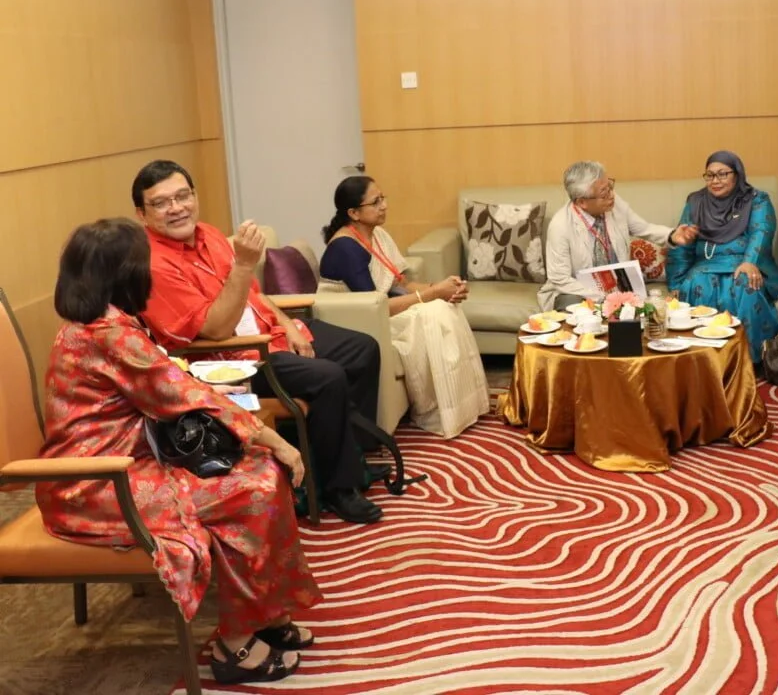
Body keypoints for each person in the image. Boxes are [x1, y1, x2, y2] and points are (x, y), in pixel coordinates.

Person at [38, 219, 320, 684]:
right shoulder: (108, 334)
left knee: (259, 473)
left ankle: (264, 615)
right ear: (127, 273)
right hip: (95, 482)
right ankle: (235, 645)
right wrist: (280, 441)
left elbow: (168, 387)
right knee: (253, 487)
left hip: (124, 460)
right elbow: (184, 395)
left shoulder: (102, 324)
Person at [132, 159, 382, 525]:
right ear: (142, 214)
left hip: (270, 333)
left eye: (183, 196)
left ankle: (349, 459)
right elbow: (216, 330)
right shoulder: (152, 265)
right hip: (233, 359)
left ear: (195, 196)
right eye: (161, 202)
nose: (176, 208)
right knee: (327, 377)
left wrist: (288, 325)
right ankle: (336, 487)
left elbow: (254, 294)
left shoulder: (209, 234)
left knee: (363, 349)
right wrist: (244, 264)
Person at [319, 176, 489, 438]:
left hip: (381, 312)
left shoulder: (378, 235)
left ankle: (464, 406)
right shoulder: (345, 248)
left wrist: (441, 288)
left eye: (383, 198)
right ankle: (436, 411)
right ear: (353, 213)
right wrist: (433, 294)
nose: (384, 205)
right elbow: (374, 308)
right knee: (434, 313)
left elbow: (402, 283)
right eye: (375, 202)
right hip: (358, 325)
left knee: (444, 307)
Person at [667, 150, 778, 363]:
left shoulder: (756, 199)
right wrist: (676, 282)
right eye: (710, 175)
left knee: (745, 284)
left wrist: (750, 262)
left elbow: (761, 231)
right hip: (705, 265)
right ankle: (704, 363)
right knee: (697, 283)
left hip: (743, 263)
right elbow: (684, 240)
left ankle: (750, 362)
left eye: (723, 174)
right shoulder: (696, 201)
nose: (715, 181)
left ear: (737, 174)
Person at [539, 161, 699, 311]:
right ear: (582, 202)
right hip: (578, 291)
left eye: (610, 187)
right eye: (604, 193)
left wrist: (672, 235)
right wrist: (602, 297)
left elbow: (643, 228)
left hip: (617, 285)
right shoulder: (560, 226)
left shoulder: (614, 205)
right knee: (573, 305)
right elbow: (560, 279)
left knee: (647, 312)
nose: (611, 195)